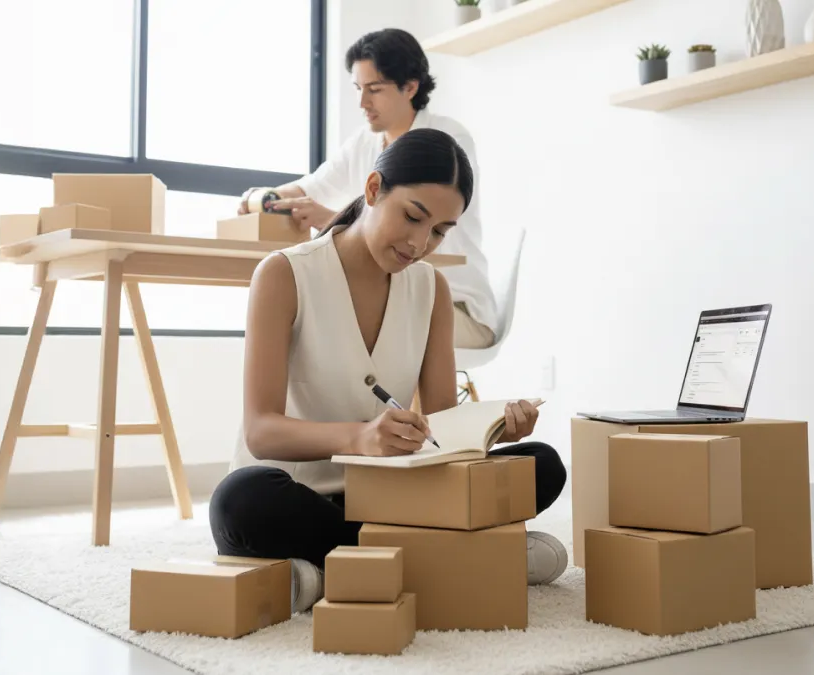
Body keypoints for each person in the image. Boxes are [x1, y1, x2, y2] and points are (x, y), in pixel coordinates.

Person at [210, 128, 568, 615]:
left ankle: (329, 573)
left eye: (440, 231)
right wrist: (359, 438)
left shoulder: (432, 289)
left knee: (542, 464)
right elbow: (261, 431)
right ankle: (463, 557)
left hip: (391, 498)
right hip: (299, 494)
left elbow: (442, 424)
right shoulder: (283, 274)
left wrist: (497, 428)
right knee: (239, 500)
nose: (421, 243)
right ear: (374, 190)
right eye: (413, 217)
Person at [238, 28, 498, 350]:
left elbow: (432, 241)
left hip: (455, 305)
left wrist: (334, 221)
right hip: (394, 293)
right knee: (305, 306)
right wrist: (258, 197)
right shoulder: (365, 143)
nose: (363, 102)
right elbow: (311, 187)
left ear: (410, 87)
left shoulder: (447, 144)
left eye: (374, 89)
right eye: (358, 88)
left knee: (331, 318)